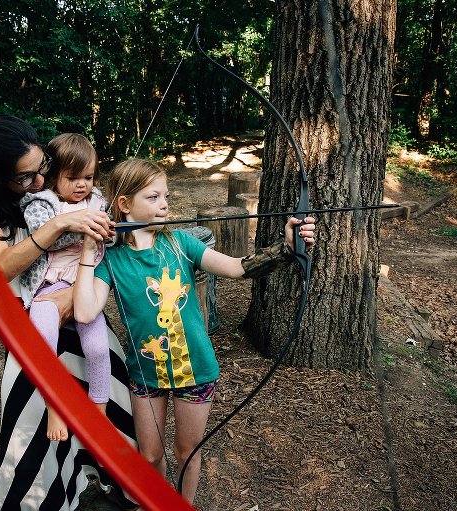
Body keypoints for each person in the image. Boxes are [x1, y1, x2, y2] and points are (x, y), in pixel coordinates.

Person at [73, 158, 316, 504]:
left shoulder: (180, 243)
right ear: (124, 204)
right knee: (150, 455)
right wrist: (87, 248)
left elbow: (237, 268)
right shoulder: (111, 259)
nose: (164, 204)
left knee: (187, 451)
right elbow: (84, 311)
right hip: (146, 373)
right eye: (153, 197)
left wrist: (287, 248)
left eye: (166, 196)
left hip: (196, 370)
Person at [0, 116, 136, 511]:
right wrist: (57, 226)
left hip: (82, 311)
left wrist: (76, 291)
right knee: (37, 426)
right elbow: (0, 269)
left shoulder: (61, 192)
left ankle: (120, 487)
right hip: (34, 329)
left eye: (42, 168)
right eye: (24, 178)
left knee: (110, 399)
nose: (39, 181)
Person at [19, 133, 110, 442]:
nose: (82, 184)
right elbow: (46, 239)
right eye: (72, 178)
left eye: (88, 176)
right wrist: (86, 229)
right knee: (43, 338)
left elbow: (111, 233)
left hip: (84, 287)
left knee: (98, 347)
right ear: (53, 176)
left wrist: (107, 230)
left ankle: (100, 409)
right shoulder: (40, 203)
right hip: (47, 287)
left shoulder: (97, 200)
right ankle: (55, 405)